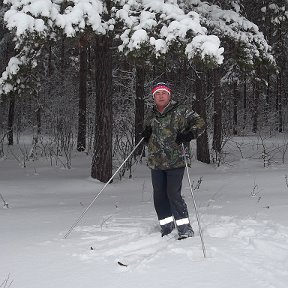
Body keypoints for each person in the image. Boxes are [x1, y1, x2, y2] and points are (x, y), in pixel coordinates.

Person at [141, 82, 205, 239]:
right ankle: (166, 226)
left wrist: (189, 135)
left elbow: (200, 123)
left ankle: (184, 229)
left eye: (163, 93)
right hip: (156, 161)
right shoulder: (150, 113)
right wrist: (146, 135)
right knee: (159, 194)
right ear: (153, 97)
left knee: (173, 193)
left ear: (169, 95)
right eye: (157, 94)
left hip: (176, 159)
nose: (160, 96)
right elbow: (147, 132)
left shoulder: (181, 110)